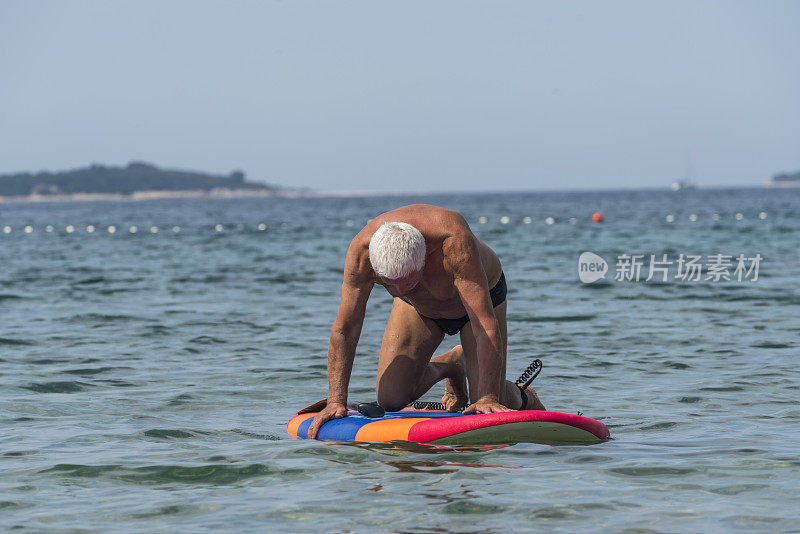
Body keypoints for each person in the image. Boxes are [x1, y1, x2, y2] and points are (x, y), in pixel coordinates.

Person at [307, 204, 544, 439]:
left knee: (486, 403)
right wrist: (336, 400)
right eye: (389, 283)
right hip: (421, 308)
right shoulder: (361, 252)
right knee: (390, 399)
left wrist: (489, 398)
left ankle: (523, 395)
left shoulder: (452, 241)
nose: (398, 289)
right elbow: (345, 328)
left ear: (425, 257)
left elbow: (484, 324)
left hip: (479, 306)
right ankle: (453, 363)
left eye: (408, 282)